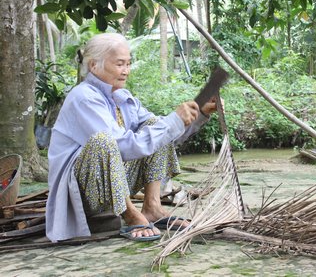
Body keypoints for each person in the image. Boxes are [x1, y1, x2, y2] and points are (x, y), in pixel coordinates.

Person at [45, 33, 219, 242]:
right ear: (93, 65)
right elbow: (123, 147)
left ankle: (152, 208)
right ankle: (131, 216)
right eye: (120, 64)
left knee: (156, 126)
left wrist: (201, 114)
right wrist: (174, 120)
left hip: (111, 187)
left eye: (128, 64)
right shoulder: (83, 98)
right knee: (105, 141)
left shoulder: (123, 98)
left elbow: (164, 136)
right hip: (83, 196)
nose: (126, 71)